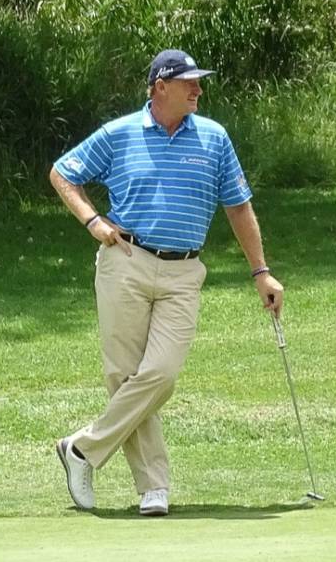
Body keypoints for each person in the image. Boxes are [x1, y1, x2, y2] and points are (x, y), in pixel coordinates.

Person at [49, 49, 286, 516]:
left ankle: (81, 449)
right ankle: (153, 487)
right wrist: (93, 220)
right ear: (160, 86)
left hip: (183, 271)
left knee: (160, 374)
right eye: (188, 82)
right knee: (124, 375)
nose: (198, 89)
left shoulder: (215, 139)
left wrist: (261, 271)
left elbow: (238, 206)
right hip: (126, 261)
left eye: (199, 82)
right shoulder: (119, 134)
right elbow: (63, 173)